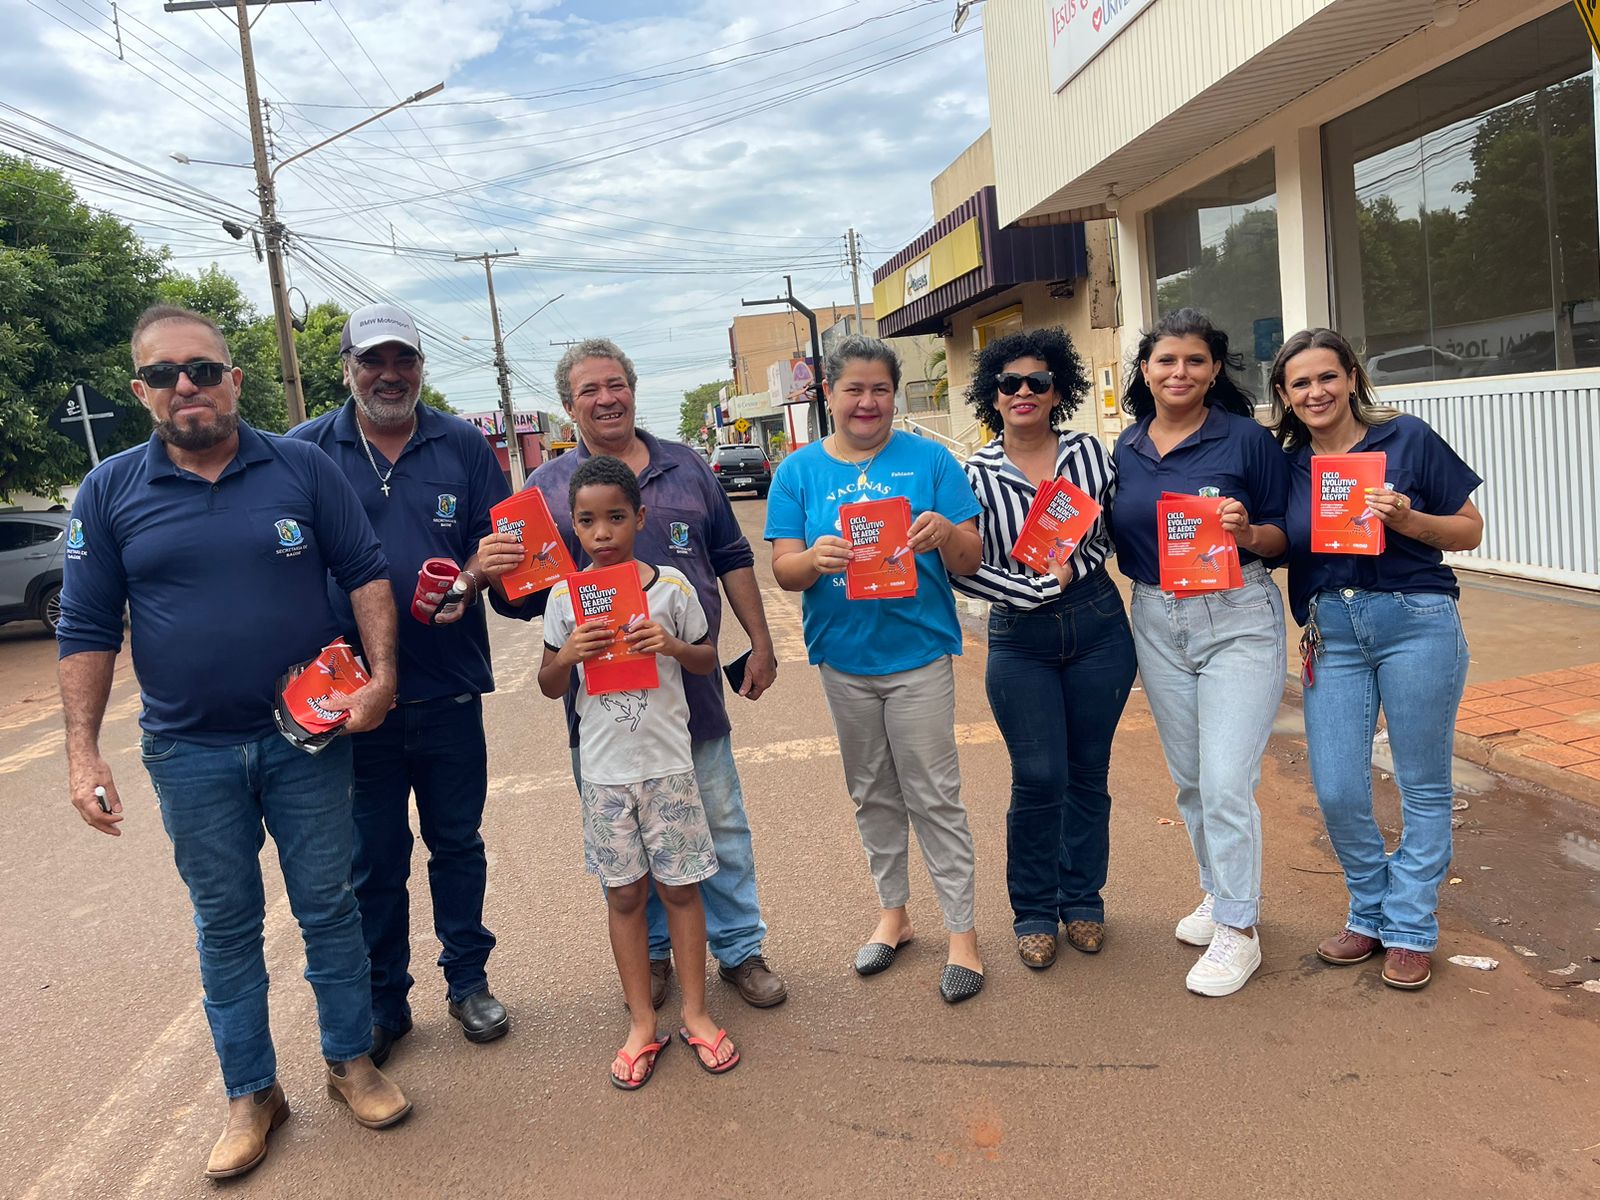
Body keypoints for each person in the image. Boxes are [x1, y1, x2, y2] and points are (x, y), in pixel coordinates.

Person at [56, 305, 411, 1181]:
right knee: (225, 925)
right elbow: (87, 626)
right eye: (167, 374)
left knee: (330, 905)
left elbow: (366, 573)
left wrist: (382, 679)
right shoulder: (106, 493)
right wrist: (82, 750)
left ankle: (349, 1062)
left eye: (205, 370)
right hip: (189, 752)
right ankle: (252, 1093)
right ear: (140, 390)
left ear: (235, 379)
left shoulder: (301, 468)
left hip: (307, 740)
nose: (188, 386)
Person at [488, 337, 787, 1010]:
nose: (606, 398)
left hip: (691, 700)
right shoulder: (546, 490)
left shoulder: (685, 466)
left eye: (615, 383)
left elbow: (733, 554)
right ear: (568, 407)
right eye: (589, 390)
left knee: (722, 823)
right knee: (632, 843)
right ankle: (654, 960)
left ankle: (740, 949)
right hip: (607, 719)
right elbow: (529, 603)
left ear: (632, 387)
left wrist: (760, 642)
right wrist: (495, 573)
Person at [289, 304, 520, 1065]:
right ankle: (386, 1001)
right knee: (372, 861)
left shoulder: (462, 444)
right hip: (353, 703)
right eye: (373, 361)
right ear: (348, 367)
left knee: (457, 843)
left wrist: (476, 575)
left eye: (405, 361)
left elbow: (506, 547)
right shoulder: (305, 451)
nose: (390, 375)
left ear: (421, 367)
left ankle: (469, 983)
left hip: (449, 689)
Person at [765, 335, 987, 1003]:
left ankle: (963, 936)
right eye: (853, 389)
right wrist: (816, 559)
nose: (868, 402)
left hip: (918, 655)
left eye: (880, 389)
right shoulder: (797, 473)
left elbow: (971, 557)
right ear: (827, 394)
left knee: (934, 793)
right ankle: (895, 913)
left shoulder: (932, 460)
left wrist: (944, 534)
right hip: (843, 660)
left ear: (895, 395)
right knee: (871, 791)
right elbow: (784, 569)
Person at [1268, 327, 1483, 991]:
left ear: (1353, 377)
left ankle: (1409, 925)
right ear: (1284, 394)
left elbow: (1469, 529)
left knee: (1422, 784)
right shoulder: (1288, 465)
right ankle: (1371, 906)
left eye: (1327, 376)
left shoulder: (1407, 439)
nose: (1316, 392)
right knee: (1335, 786)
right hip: (1331, 627)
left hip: (1415, 618)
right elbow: (1276, 541)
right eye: (1300, 383)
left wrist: (1410, 520)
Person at [539, 455, 738, 1085]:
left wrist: (672, 647)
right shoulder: (563, 597)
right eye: (589, 521)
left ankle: (698, 1014)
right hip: (603, 773)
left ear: (640, 518)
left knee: (682, 888)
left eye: (617, 518)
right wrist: (569, 655)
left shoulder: (672, 588)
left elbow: (707, 662)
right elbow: (548, 685)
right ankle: (641, 1023)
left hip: (668, 766)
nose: (603, 533)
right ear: (573, 526)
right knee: (624, 893)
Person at [1109, 307, 1290, 998]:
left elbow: (1283, 538)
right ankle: (1218, 892)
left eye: (1194, 361)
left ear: (1215, 370)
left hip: (1237, 612)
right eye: (1165, 361)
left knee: (1224, 779)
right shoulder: (1125, 447)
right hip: (1155, 613)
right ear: (1146, 372)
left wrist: (1250, 533)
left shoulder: (1246, 441)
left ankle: (1240, 930)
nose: (1178, 372)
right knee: (1189, 778)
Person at [952, 327, 1137, 970]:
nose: (1024, 392)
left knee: (1089, 771)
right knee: (1039, 776)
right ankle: (1032, 907)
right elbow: (961, 566)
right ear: (992, 396)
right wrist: (1029, 587)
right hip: (1019, 635)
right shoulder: (970, 473)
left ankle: (1082, 897)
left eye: (1038, 381)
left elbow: (1122, 524)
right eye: (1010, 383)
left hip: (1098, 626)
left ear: (1059, 389)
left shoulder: (1089, 452)